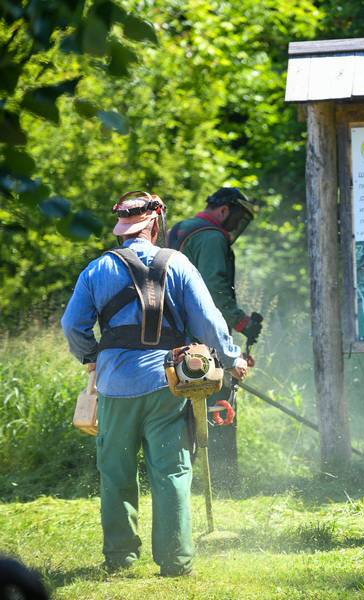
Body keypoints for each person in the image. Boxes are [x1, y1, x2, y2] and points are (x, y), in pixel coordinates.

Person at [61, 191, 248, 577]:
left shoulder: (97, 269)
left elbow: (72, 326)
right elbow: (209, 322)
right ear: (155, 224)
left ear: (122, 231)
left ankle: (120, 558)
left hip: (114, 388)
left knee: (116, 473)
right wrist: (233, 360)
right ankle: (176, 562)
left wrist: (92, 357)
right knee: (173, 473)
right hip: (167, 384)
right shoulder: (177, 262)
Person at [168, 187, 262, 489]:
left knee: (183, 410)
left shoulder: (180, 230)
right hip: (204, 343)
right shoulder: (211, 237)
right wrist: (241, 321)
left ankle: (186, 477)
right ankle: (224, 483)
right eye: (236, 217)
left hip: (176, 339)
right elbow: (215, 292)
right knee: (220, 403)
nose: (235, 226)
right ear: (224, 211)